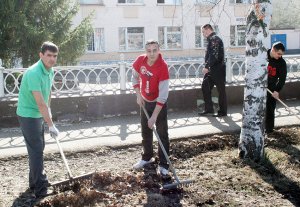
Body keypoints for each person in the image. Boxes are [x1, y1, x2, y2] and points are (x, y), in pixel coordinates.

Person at [16, 41, 60, 198]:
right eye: (49, 55)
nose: (52, 59)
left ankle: (34, 183)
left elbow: (47, 94)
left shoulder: (50, 70)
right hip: (28, 114)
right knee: (36, 151)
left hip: (38, 113)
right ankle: (40, 188)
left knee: (37, 149)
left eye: (55, 56)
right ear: (41, 55)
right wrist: (51, 124)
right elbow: (40, 103)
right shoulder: (34, 72)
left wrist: (49, 114)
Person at [131, 39, 170, 176]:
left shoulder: (162, 66)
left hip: (159, 102)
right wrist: (138, 95)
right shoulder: (140, 60)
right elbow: (134, 78)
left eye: (155, 50)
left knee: (161, 133)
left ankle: (164, 164)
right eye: (149, 51)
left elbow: (163, 95)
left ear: (158, 50)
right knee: (145, 131)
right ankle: (147, 157)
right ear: (145, 51)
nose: (152, 53)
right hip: (145, 100)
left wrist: (154, 116)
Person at [199, 24, 227, 117]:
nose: (203, 34)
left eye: (203, 31)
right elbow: (211, 55)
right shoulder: (212, 39)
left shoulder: (214, 39)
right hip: (212, 70)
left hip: (218, 69)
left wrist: (206, 66)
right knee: (205, 87)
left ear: (208, 29)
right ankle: (209, 109)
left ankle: (222, 112)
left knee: (221, 91)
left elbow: (214, 56)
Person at [265, 42, 287, 133]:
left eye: (282, 54)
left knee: (270, 109)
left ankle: (269, 130)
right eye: (279, 54)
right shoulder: (262, 55)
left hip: (271, 89)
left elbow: (282, 79)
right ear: (273, 50)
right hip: (259, 86)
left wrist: (277, 91)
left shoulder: (282, 63)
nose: (280, 56)